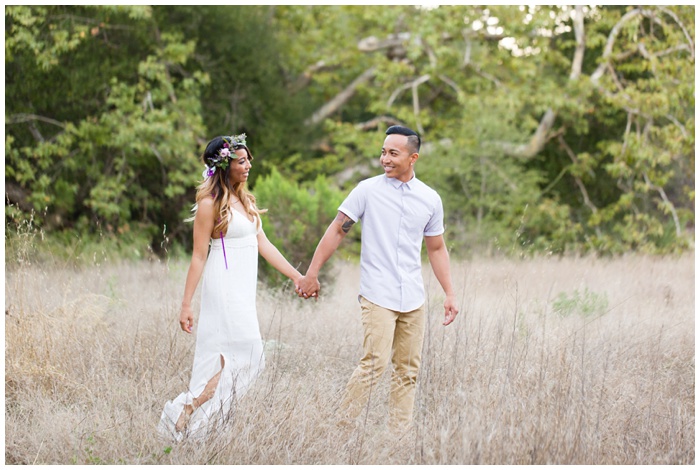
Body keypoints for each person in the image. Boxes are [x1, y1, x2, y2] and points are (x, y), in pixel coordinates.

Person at [297, 125, 459, 430]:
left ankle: (398, 436)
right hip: (377, 293)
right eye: (383, 151)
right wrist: (312, 273)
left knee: (408, 370)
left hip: (413, 297)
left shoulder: (430, 199)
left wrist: (450, 293)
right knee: (374, 363)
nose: (385, 158)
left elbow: (436, 248)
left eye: (393, 153)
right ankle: (340, 428)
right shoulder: (367, 190)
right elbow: (336, 230)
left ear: (413, 158)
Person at [159, 133, 303, 441]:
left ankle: (200, 419)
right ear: (224, 166)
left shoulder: (246, 200)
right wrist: (186, 304)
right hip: (222, 287)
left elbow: (264, 244)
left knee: (242, 359)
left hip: (242, 290)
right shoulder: (209, 205)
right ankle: (190, 407)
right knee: (250, 355)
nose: (249, 164)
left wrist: (297, 277)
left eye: (249, 158)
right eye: (242, 161)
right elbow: (198, 256)